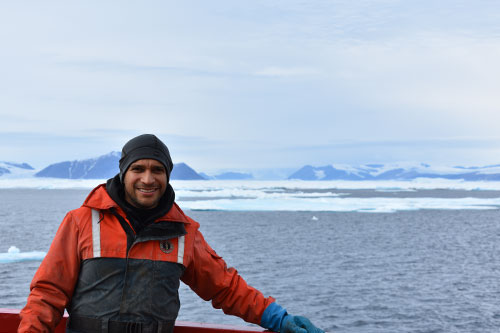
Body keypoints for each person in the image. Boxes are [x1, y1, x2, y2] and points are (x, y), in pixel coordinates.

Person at [19, 134, 325, 333]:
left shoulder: (183, 233)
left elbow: (225, 288)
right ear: (124, 173)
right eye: (138, 169)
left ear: (167, 175)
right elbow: (47, 294)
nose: (148, 179)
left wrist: (278, 318)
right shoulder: (82, 221)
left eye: (158, 170)